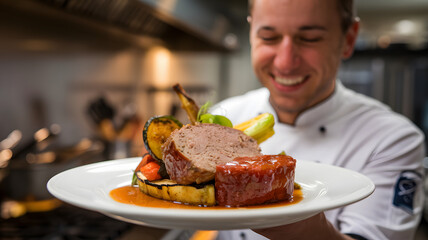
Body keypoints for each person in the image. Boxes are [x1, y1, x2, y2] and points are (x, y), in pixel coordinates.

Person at [212, 0, 426, 239]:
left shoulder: (392, 139)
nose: (285, 62)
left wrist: (307, 228)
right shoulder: (226, 117)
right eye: (269, 37)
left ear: (348, 39)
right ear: (252, 34)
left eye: (310, 39)